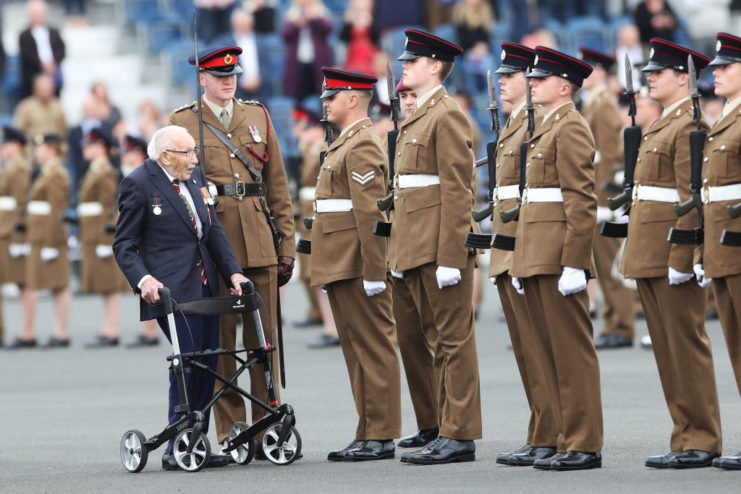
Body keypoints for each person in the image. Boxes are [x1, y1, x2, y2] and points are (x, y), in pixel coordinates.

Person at [168, 46, 295, 457]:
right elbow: (175, 191)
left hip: (259, 241)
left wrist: (287, 244)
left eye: (233, 75)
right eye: (219, 75)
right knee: (220, 345)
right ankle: (232, 426)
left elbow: (277, 185)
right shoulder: (182, 122)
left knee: (264, 340)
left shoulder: (257, 114)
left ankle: (266, 424)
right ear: (201, 78)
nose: (228, 81)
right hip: (213, 244)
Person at [113, 125, 248, 470]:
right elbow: (124, 244)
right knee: (186, 363)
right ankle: (176, 446)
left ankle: (195, 439)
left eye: (193, 152)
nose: (194, 158)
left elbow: (212, 230)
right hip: (170, 291)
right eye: (186, 152)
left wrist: (232, 270)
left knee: (208, 362)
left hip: (205, 283)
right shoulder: (139, 183)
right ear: (164, 157)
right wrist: (143, 279)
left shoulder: (196, 176)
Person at [620, 38, 722, 469]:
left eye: (658, 72)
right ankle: (683, 435)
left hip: (670, 254)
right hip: (649, 249)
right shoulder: (662, 123)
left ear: (684, 77)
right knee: (665, 351)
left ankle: (701, 438)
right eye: (649, 73)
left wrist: (684, 259)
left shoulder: (689, 126)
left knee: (685, 346)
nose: (649, 78)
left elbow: (691, 198)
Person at [390, 29, 482, 465]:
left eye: (413, 61)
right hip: (415, 245)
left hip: (438, 248)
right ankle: (444, 427)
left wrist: (452, 254)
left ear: (435, 67)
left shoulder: (447, 114)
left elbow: (458, 189)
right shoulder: (420, 115)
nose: (404, 66)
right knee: (432, 338)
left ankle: (459, 434)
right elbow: (409, 192)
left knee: (452, 341)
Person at [510, 46, 603, 470]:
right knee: (547, 354)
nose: (531, 83)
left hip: (557, 257)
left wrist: (574, 263)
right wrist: (521, 259)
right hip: (536, 254)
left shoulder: (571, 127)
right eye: (531, 78)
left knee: (571, 355)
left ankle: (583, 443)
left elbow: (580, 201)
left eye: (540, 79)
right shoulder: (547, 126)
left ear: (564, 86)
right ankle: (565, 438)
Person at [311, 67, 401, 461]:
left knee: (373, 346)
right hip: (340, 260)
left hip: (357, 262)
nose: (325, 103)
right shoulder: (343, 142)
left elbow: (370, 215)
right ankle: (367, 429)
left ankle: (380, 433)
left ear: (353, 99)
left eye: (332, 97)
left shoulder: (362, 143)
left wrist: (375, 271)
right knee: (355, 349)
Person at [487, 42, 558, 467]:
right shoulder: (515, 124)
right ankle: (541, 430)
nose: (503, 82)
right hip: (508, 244)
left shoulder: (533, 124)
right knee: (526, 350)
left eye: (510, 76)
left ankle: (550, 431)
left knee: (539, 347)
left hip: (524, 245)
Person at [694, 32, 741, 470]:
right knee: (737, 348)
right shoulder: (725, 115)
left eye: (726, 66)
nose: (716, 73)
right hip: (723, 248)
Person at [390, 78, 439, 450]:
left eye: (411, 95)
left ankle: (452, 426)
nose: (407, 102)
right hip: (405, 244)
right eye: (402, 97)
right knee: (410, 341)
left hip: (432, 242)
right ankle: (429, 423)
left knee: (440, 340)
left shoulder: (441, 119)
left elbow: (456, 186)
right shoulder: (403, 132)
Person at [579, 47, 637, 350]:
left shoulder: (601, 106)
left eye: (587, 69)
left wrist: (602, 200)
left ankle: (622, 325)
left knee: (609, 263)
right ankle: (613, 319)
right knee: (602, 264)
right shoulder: (595, 104)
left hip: (603, 195)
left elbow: (607, 156)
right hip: (600, 193)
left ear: (599, 71)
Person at [12, 134, 71, 348]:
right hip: (39, 234)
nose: (37, 152)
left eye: (41, 148)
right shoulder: (46, 172)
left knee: (59, 285)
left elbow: (56, 210)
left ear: (52, 149)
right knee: (50, 284)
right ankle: (57, 332)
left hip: (50, 236)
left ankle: (61, 333)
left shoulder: (55, 173)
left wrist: (51, 242)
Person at [78, 128, 129, 348]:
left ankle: (111, 330)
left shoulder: (105, 171)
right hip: (93, 231)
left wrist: (105, 238)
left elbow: (110, 207)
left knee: (109, 283)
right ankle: (107, 328)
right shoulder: (95, 169)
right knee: (104, 284)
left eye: (89, 145)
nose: (84, 149)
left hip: (102, 234)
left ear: (101, 147)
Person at [292, 106, 340, 345]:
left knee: (320, 273)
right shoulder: (311, 150)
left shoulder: (324, 149)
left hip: (317, 217)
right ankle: (325, 320)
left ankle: (332, 327)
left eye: (305, 127)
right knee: (310, 272)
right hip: (307, 219)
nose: (299, 131)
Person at [119, 134, 160, 348]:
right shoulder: (132, 173)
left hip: (147, 232)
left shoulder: (144, 174)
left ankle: (150, 331)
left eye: (128, 152)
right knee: (143, 279)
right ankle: (148, 329)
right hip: (137, 230)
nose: (124, 156)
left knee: (148, 278)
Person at [1, 127, 32, 349]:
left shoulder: (19, 168)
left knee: (23, 282)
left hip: (12, 232)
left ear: (17, 146)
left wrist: (20, 236)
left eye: (6, 144)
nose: (3, 149)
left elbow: (21, 204)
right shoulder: (9, 168)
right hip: (5, 230)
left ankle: (27, 332)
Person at [280, 0, 334, 102]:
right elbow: (285, 34)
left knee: (320, 95)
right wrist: (297, 24)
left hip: (318, 64)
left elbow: (328, 29)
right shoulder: (291, 15)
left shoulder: (321, 13)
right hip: (298, 65)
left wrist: (314, 19)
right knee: (299, 97)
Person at [18, 0, 65, 98]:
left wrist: (53, 63)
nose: (38, 16)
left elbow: (62, 50)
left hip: (53, 72)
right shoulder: (24, 35)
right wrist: (42, 65)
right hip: (34, 74)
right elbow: (27, 55)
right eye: (35, 13)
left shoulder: (54, 32)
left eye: (40, 13)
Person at [13, 73, 67, 141]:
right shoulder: (25, 107)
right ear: (35, 89)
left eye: (48, 89)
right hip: (32, 148)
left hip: (53, 147)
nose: (46, 91)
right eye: (43, 89)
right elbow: (19, 131)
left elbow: (64, 130)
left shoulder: (58, 106)